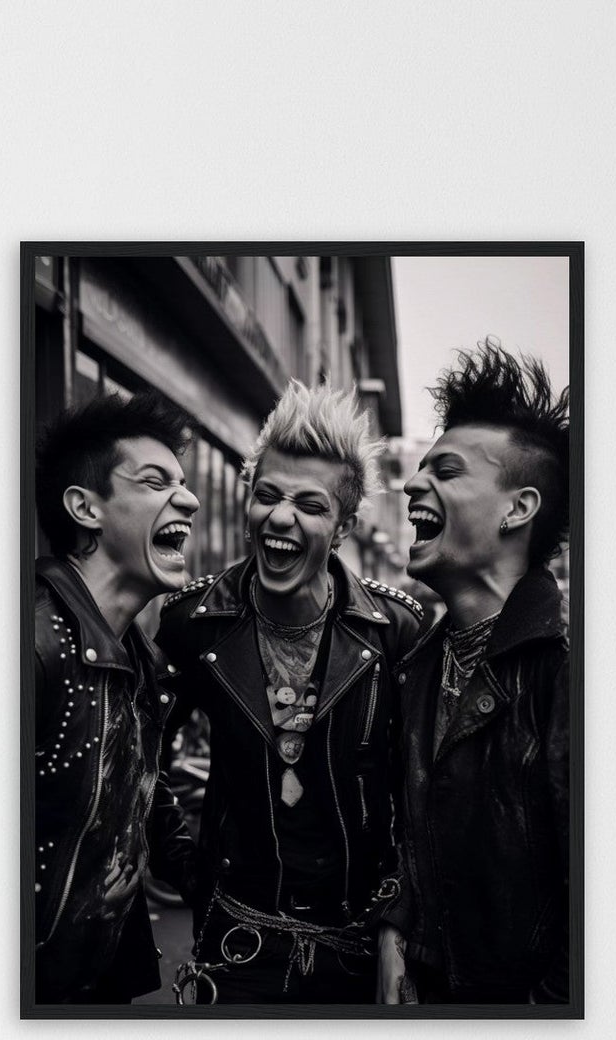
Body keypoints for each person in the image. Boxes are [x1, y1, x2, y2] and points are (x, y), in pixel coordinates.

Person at [157, 381, 423, 1004]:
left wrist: (397, 920)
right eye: (267, 496)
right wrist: (188, 870)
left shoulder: (396, 632)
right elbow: (141, 762)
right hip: (236, 948)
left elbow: (422, 793)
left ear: (344, 526)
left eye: (309, 505)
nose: (280, 518)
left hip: (362, 951)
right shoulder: (192, 622)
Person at [379, 342, 572, 1006]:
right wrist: (398, 927)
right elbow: (420, 832)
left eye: (447, 470)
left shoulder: (567, 664)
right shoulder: (418, 667)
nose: (410, 486)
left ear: (518, 509)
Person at [32, 389, 201, 1003]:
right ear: (85, 507)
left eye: (182, 482)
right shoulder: (33, 643)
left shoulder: (140, 657)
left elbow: (146, 795)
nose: (189, 498)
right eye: (156, 482)